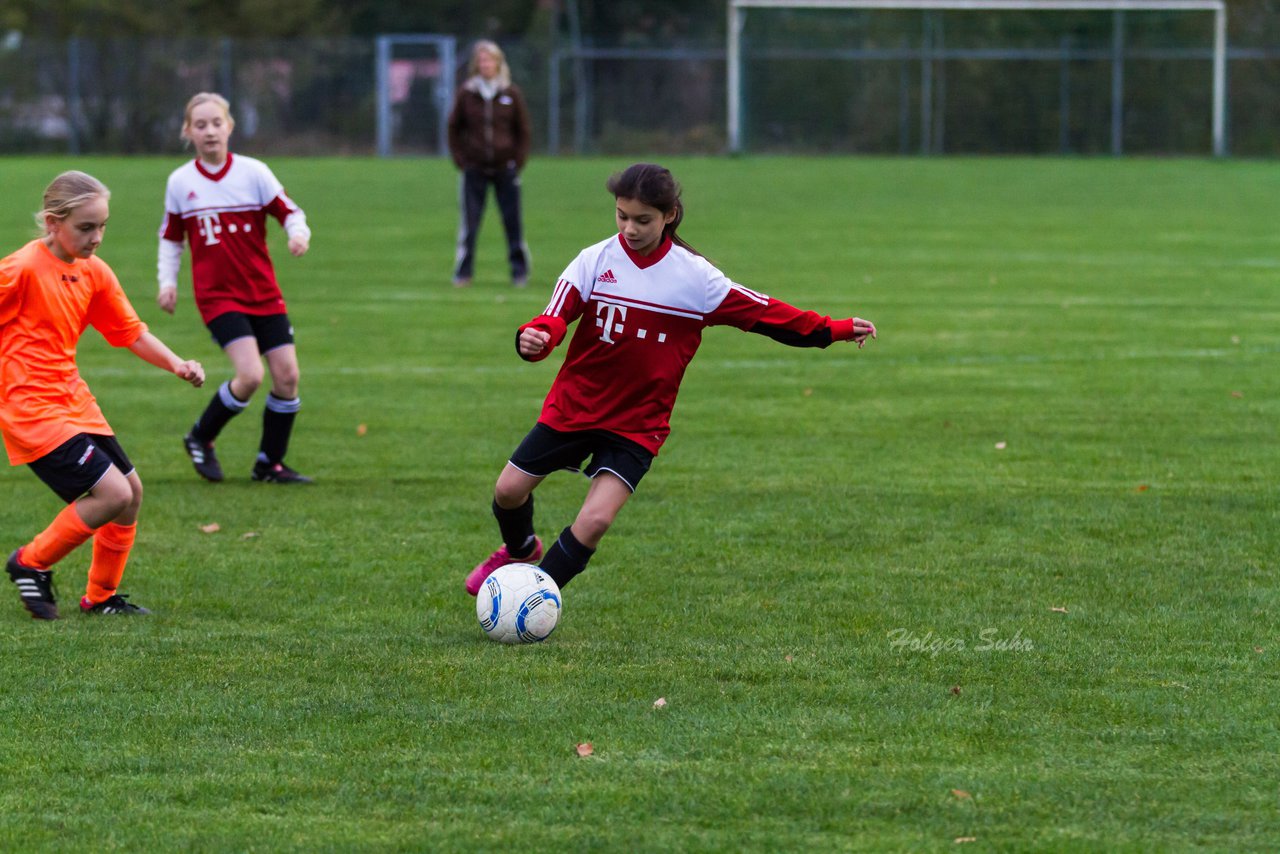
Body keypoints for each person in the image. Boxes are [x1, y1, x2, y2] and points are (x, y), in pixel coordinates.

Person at [465, 163, 877, 596]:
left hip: (637, 423)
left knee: (596, 521)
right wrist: (536, 339)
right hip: (576, 405)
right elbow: (555, 316)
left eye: (643, 219)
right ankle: (521, 548)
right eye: (622, 215)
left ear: (670, 216)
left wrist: (835, 328)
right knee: (509, 491)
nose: (630, 228)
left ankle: (532, 598)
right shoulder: (595, 260)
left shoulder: (696, 279)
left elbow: (766, 314)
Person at [3, 171, 206, 620]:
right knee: (112, 494)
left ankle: (100, 598)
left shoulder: (94, 272)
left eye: (102, 226)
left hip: (73, 401)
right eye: (86, 227)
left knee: (131, 493)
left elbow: (129, 332)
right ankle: (29, 563)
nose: (97, 237)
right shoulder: (21, 268)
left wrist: (177, 363)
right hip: (31, 410)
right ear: (54, 223)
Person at [158, 92, 313, 484]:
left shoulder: (254, 173)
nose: (209, 131)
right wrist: (167, 283)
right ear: (188, 132)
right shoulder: (180, 182)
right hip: (218, 297)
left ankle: (269, 464)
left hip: (263, 291)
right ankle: (201, 437)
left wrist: (297, 234)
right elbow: (171, 239)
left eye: (216, 123)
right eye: (200, 125)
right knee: (250, 376)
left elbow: (289, 211)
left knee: (287, 377)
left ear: (230, 127)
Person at [447, 39, 533, 288]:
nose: (485, 64)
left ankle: (519, 272)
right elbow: (454, 127)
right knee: (470, 224)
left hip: (506, 169)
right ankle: (464, 272)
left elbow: (523, 130)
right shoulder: (467, 93)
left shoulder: (511, 93)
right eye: (481, 60)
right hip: (474, 169)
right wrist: (460, 159)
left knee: (512, 222)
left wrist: (517, 161)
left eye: (490, 60)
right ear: (476, 65)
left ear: (498, 63)